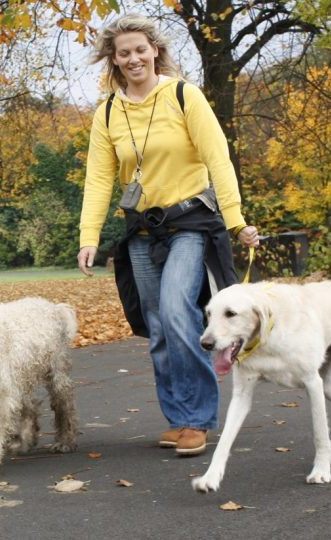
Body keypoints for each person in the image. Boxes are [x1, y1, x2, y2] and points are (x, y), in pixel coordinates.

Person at [76, 14, 260, 457]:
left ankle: (198, 419)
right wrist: (89, 235)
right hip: (141, 229)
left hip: (191, 223)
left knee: (179, 312)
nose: (134, 58)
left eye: (141, 49)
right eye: (124, 53)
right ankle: (178, 419)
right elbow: (99, 179)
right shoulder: (107, 112)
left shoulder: (183, 95)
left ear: (155, 49)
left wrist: (236, 220)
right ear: (114, 60)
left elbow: (218, 159)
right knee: (157, 325)